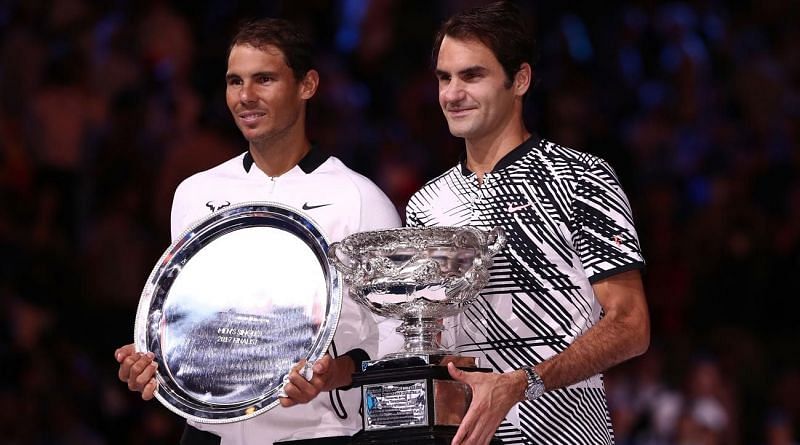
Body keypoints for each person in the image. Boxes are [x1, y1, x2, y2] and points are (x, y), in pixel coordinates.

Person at [114, 17, 401, 444]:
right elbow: (190, 322)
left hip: (316, 432)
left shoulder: (361, 200)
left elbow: (397, 343)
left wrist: (334, 375)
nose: (245, 97)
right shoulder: (195, 193)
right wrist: (153, 363)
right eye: (235, 82)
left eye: (264, 79)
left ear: (307, 86)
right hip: (207, 433)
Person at [405, 2, 650, 444]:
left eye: (472, 75)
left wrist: (523, 383)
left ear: (519, 80)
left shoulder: (580, 178)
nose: (452, 93)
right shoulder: (426, 205)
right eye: (445, 77)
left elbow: (631, 326)